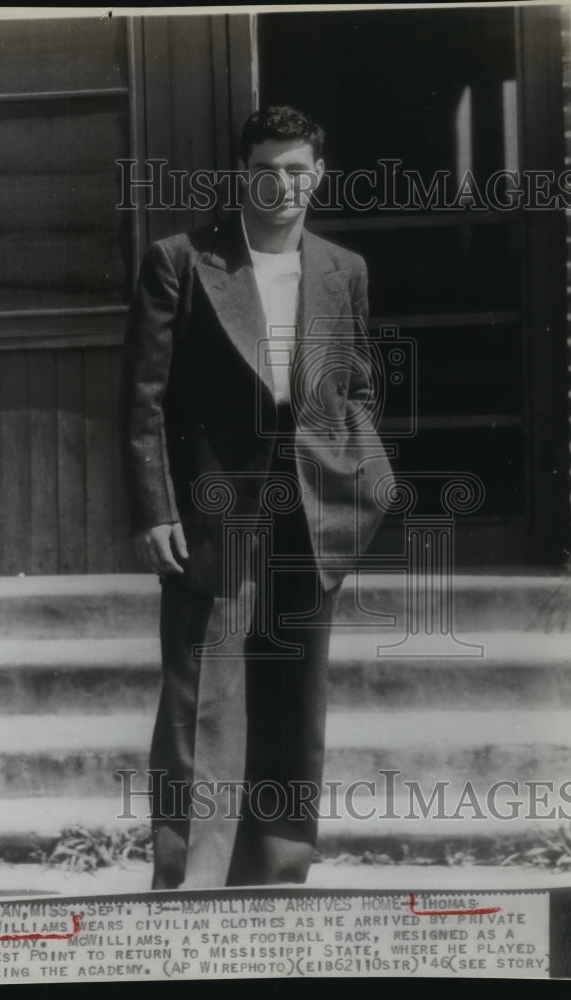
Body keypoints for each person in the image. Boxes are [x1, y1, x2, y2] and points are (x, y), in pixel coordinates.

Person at [121, 106, 393, 889]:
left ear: (319, 176)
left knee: (294, 695)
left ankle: (276, 874)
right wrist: (155, 509)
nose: (281, 185)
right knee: (200, 697)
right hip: (212, 510)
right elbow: (143, 400)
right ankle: (187, 878)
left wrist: (358, 478)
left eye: (296, 170)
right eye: (265, 170)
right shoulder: (180, 262)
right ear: (242, 175)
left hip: (311, 507)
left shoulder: (343, 269)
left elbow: (357, 388)